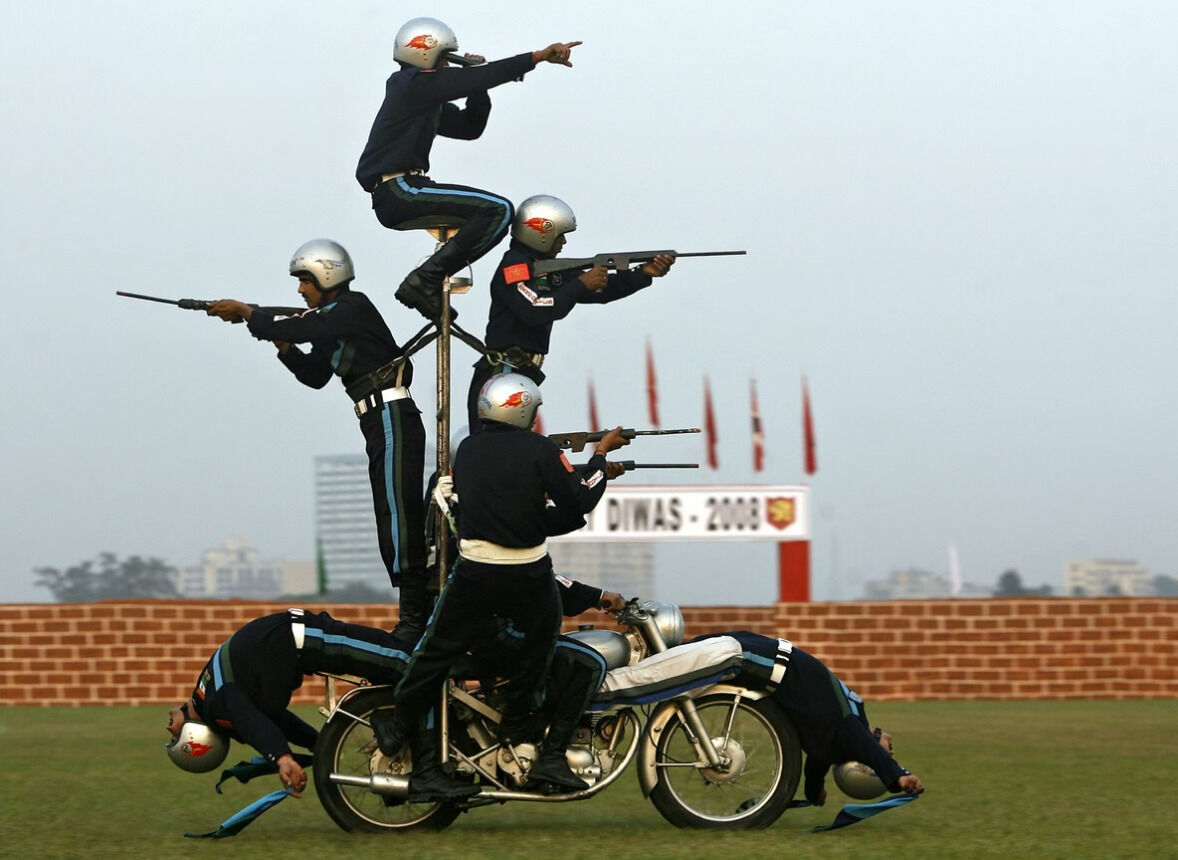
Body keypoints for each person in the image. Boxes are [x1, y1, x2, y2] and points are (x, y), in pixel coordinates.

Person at [372, 373, 630, 801]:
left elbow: (508, 504)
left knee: (434, 652)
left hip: (474, 571)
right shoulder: (541, 449)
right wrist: (599, 459)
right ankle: (530, 740)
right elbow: (574, 504)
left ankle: (398, 723)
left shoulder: (469, 450)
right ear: (524, 408)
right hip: (528, 575)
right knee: (540, 647)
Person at [206, 239, 431, 641]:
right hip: (376, 420)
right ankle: (414, 615)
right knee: (388, 517)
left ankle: (416, 620)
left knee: (399, 517)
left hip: (394, 415)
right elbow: (315, 374)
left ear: (326, 276)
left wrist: (249, 314)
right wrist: (281, 342)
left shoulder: (351, 309)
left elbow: (310, 324)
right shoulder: (333, 319)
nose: (300, 290)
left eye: (305, 281)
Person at [356, 17, 582, 322]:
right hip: (399, 189)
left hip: (404, 190)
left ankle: (427, 281)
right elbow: (474, 79)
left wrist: (477, 84)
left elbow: (469, 127)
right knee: (499, 209)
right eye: (445, 61)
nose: (448, 69)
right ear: (425, 54)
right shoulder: (410, 84)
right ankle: (426, 279)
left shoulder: (421, 99)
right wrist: (536, 57)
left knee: (494, 211)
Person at [465, 194, 675, 430]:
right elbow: (534, 309)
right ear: (541, 233)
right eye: (560, 235)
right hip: (500, 376)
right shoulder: (514, 267)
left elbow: (600, 290)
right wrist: (581, 284)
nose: (563, 242)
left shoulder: (546, 268)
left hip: (520, 373)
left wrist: (643, 273)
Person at [164, 609, 411, 794]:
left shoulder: (210, 698)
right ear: (194, 741)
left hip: (304, 636)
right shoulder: (216, 704)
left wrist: (283, 757)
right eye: (174, 737)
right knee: (406, 662)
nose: (168, 728)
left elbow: (256, 723)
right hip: (310, 638)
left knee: (407, 662)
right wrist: (315, 745)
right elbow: (263, 720)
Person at [691, 630, 925, 803]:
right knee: (697, 653)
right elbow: (829, 759)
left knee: (695, 656)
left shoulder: (845, 733)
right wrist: (896, 773)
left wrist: (898, 775)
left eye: (890, 749)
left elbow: (822, 760)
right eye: (891, 748)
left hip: (776, 664)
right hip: (777, 658)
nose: (890, 748)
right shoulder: (843, 731)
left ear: (865, 764)